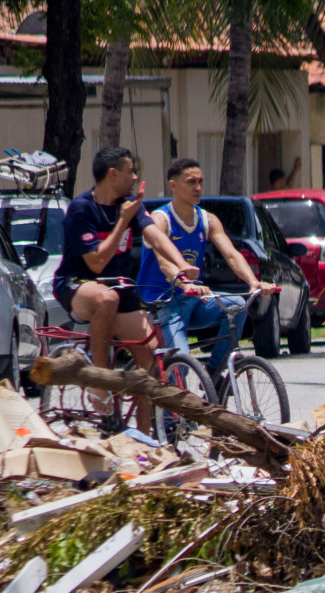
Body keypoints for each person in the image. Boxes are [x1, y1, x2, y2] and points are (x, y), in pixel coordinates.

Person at [54, 146, 194, 431]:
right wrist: (122, 221)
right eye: (131, 171)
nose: (135, 176)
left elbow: (155, 236)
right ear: (113, 174)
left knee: (151, 360)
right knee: (106, 299)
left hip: (119, 289)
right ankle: (100, 381)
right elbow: (96, 262)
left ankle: (143, 439)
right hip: (79, 285)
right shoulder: (81, 209)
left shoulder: (132, 206)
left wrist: (182, 267)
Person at [137, 157, 271, 379]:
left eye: (200, 181)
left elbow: (231, 254)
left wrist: (253, 281)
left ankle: (213, 373)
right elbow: (164, 263)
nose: (198, 187)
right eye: (191, 182)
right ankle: (171, 415)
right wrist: (186, 283)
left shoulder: (207, 219)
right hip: (163, 305)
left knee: (237, 304)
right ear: (173, 185)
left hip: (193, 301)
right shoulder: (161, 219)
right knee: (180, 368)